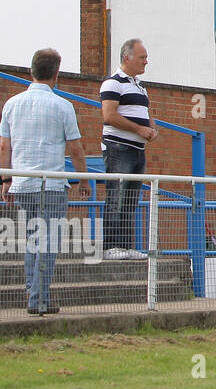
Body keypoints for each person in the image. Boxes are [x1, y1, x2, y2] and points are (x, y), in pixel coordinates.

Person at [0, 48, 88, 315]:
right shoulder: (63, 106)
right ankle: (38, 299)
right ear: (56, 74)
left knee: (32, 239)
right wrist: (83, 180)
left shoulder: (12, 104)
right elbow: (75, 148)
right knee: (48, 242)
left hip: (23, 182)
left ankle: (33, 289)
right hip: (51, 184)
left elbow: (5, 147)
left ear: (31, 71)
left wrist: (5, 179)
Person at [100, 39, 157, 260]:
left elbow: (147, 113)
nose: (146, 61)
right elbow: (109, 115)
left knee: (131, 198)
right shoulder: (112, 84)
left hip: (137, 149)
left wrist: (151, 129)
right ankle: (110, 246)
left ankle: (126, 245)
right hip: (118, 147)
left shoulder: (140, 86)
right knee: (116, 196)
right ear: (127, 58)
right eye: (142, 57)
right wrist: (138, 129)